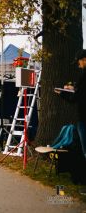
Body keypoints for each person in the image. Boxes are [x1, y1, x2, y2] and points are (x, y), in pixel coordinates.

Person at [55, 49, 86, 195]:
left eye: (79, 61)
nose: (79, 65)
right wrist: (74, 88)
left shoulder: (84, 76)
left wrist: (62, 93)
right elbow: (81, 92)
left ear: (84, 60)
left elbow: (76, 99)